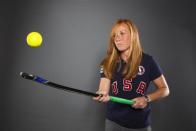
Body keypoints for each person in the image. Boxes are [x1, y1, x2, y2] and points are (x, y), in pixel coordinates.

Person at [93, 19, 170, 131]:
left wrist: (146, 98)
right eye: (114, 36)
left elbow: (165, 89)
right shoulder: (107, 62)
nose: (117, 38)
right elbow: (103, 89)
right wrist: (102, 95)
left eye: (122, 33)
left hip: (140, 124)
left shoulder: (148, 61)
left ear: (133, 36)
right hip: (114, 122)